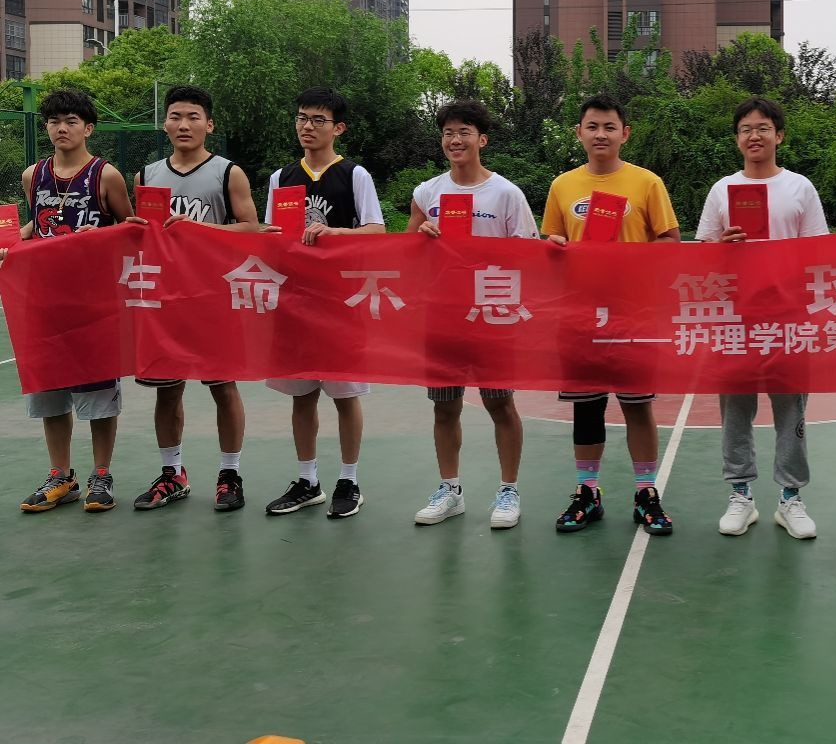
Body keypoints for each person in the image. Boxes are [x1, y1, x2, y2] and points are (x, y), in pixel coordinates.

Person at [541, 95, 681, 535]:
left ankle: (646, 493)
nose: (600, 134)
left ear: (625, 133)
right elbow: (550, 241)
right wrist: (554, 248)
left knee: (638, 405)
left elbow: (670, 240)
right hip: (580, 313)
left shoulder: (647, 183)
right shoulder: (563, 185)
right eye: (592, 126)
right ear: (579, 133)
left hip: (633, 313)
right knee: (587, 407)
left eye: (609, 126)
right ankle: (587, 492)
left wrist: (627, 259)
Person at [696, 97, 830, 539]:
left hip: (788, 317)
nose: (754, 136)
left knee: (791, 408)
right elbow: (702, 256)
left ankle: (791, 498)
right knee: (736, 407)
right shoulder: (722, 190)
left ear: (779, 135)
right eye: (745, 129)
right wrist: (724, 248)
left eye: (763, 128)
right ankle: (741, 494)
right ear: (737, 138)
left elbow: (818, 252)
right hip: (735, 317)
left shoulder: (800, 188)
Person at [128, 85, 262, 513]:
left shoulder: (228, 172)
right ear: (164, 123)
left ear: (210, 124)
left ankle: (229, 474)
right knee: (167, 391)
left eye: (192, 117)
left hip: (213, 296)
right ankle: (173, 474)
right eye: (175, 116)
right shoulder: (146, 175)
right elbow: (143, 236)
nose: (183, 124)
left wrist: (195, 228)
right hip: (165, 299)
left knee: (223, 386)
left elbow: (251, 228)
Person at [408, 100, 538, 528]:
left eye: (464, 132)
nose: (455, 139)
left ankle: (508, 490)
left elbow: (529, 256)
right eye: (448, 132)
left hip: (492, 314)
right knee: (445, 408)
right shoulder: (427, 193)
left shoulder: (506, 193)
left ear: (482, 140)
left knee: (500, 403)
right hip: (442, 316)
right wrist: (422, 236)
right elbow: (407, 254)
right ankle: (450, 490)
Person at [262, 87, 385, 520]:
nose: (307, 127)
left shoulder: (354, 175)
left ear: (339, 128)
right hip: (296, 300)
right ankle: (308, 480)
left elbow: (376, 232)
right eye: (302, 118)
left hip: (341, 301)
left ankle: (349, 480)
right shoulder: (281, 178)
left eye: (318, 120)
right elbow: (271, 235)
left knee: (345, 395)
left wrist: (335, 234)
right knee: (302, 395)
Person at [15, 89, 133, 513]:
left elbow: (131, 228)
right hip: (44, 302)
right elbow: (36, 224)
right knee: (49, 391)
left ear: (89, 128)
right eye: (53, 121)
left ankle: (101, 475)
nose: (61, 128)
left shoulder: (106, 175)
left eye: (70, 121)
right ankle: (61, 476)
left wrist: (100, 236)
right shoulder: (33, 175)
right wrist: (13, 238)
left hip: (92, 304)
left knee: (98, 395)